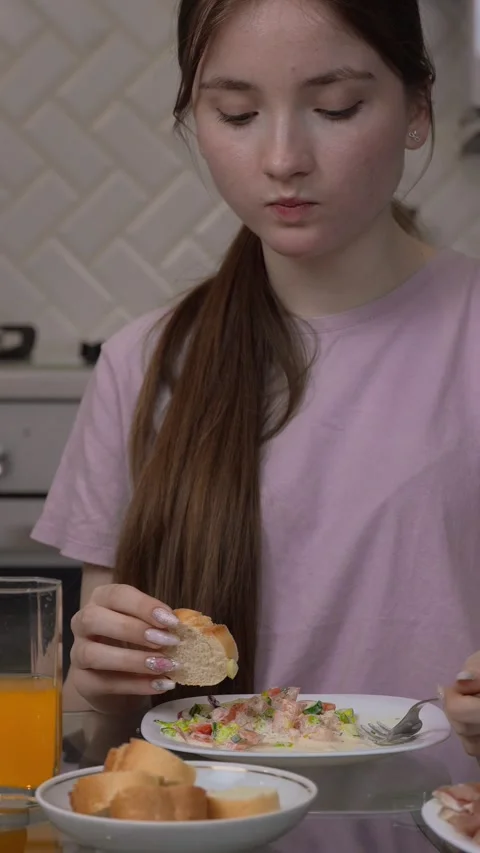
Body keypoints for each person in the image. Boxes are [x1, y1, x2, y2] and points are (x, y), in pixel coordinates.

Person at [32, 0, 480, 757]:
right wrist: (94, 684)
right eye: (237, 114)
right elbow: (89, 747)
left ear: (417, 110)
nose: (282, 158)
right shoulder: (144, 365)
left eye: (336, 107)